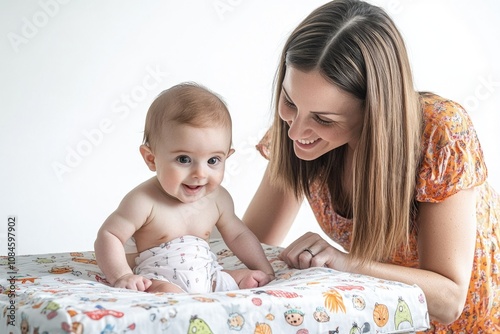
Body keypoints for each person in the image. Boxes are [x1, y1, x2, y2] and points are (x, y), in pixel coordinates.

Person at [243, 0, 499, 332]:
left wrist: (345, 263)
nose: (295, 131)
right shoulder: (300, 132)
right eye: (289, 101)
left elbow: (449, 300)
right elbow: (248, 245)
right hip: (390, 320)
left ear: (373, 111)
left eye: (323, 118)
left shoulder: (441, 131)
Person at [95, 82, 275, 294]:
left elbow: (239, 236)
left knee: (245, 279)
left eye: (213, 160)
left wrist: (264, 269)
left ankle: (233, 281)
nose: (200, 173)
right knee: (168, 293)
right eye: (184, 159)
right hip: (160, 278)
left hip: (210, 275)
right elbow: (109, 236)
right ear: (152, 159)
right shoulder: (143, 201)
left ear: (227, 157)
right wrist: (122, 275)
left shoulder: (218, 199)